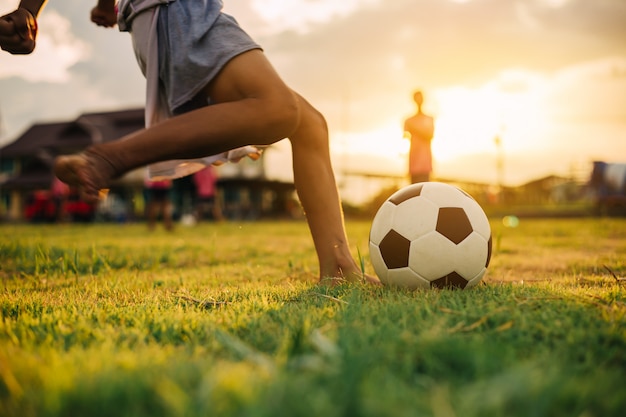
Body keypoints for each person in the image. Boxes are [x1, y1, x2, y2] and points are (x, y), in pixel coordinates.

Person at [0, 0, 379, 285]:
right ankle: (108, 158)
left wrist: (104, 4)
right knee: (279, 110)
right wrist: (28, 8)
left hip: (176, 16)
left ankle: (339, 268)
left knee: (310, 125)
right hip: (176, 12)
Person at [403, 90, 435, 184]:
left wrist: (414, 129)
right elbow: (405, 138)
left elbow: (430, 136)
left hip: (425, 164)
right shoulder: (408, 120)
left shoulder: (429, 119)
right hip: (413, 164)